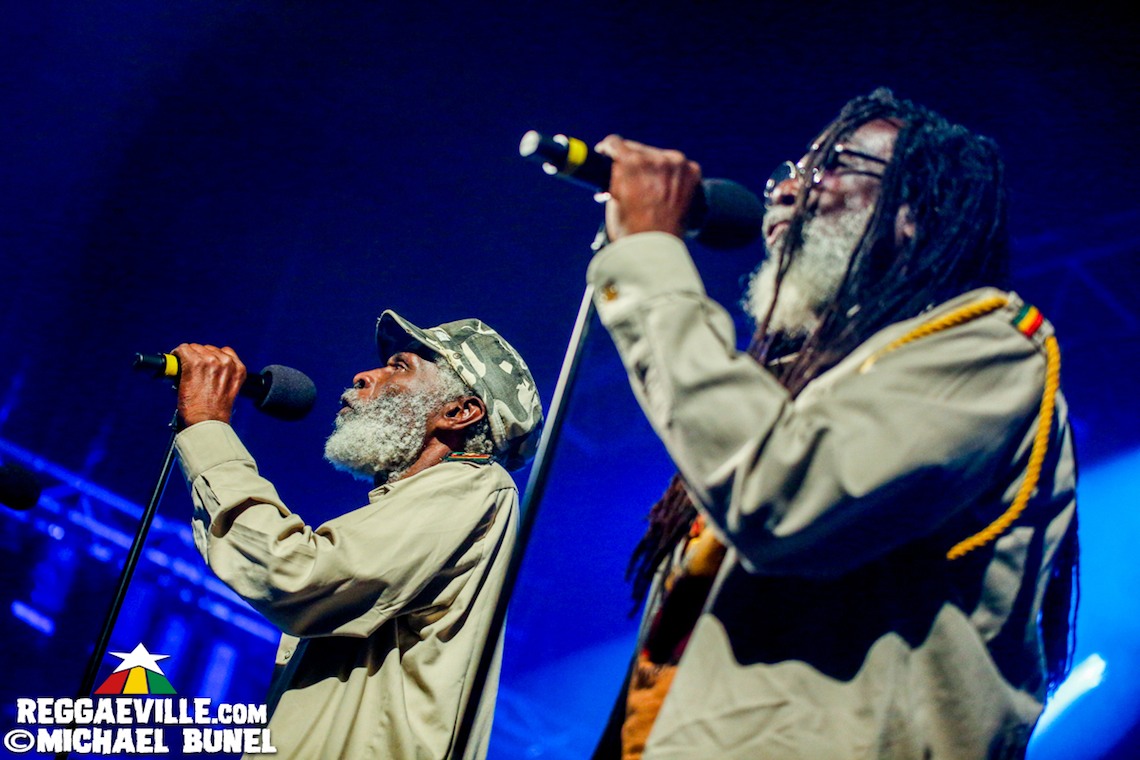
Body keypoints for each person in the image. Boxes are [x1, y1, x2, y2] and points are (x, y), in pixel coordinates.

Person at [586, 88, 1078, 759]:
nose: (787, 191)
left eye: (832, 167)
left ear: (915, 211)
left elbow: (781, 495)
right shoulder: (800, 386)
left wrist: (648, 257)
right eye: (789, 171)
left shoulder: (991, 347)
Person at [171, 310, 543, 759]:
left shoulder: (474, 487)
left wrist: (209, 429)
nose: (365, 375)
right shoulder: (424, 502)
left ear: (459, 412)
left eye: (400, 366)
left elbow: (294, 572)